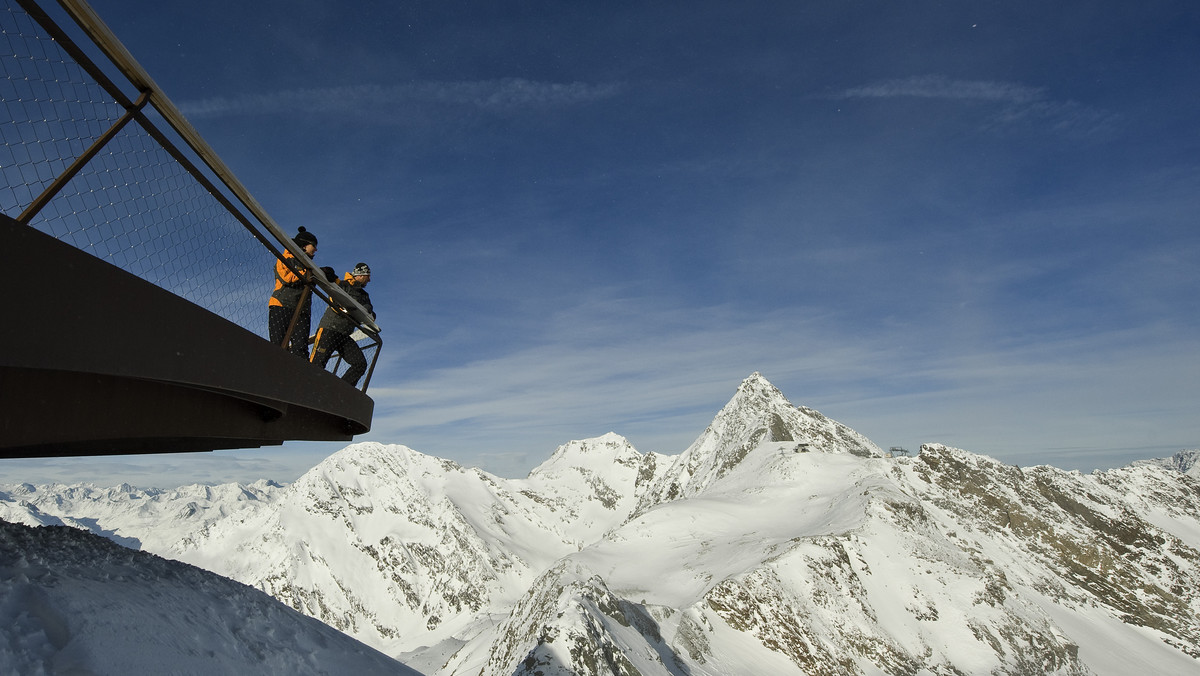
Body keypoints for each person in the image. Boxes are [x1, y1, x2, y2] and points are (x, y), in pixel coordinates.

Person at [311, 262, 376, 387]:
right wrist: (326, 271)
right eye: (368, 276)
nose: (369, 280)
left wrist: (368, 310)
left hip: (344, 335)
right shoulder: (342, 284)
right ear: (361, 275)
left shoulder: (364, 295)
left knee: (360, 364)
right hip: (329, 329)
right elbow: (333, 298)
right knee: (317, 364)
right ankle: (307, 390)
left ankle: (339, 390)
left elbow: (371, 314)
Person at [268, 227, 319, 358]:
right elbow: (287, 278)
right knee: (277, 346)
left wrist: (326, 274)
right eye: (313, 245)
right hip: (281, 305)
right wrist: (309, 275)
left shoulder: (311, 268)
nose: (316, 249)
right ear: (303, 245)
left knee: (300, 349)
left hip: (302, 310)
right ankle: (274, 374)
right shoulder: (285, 258)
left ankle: (298, 377)